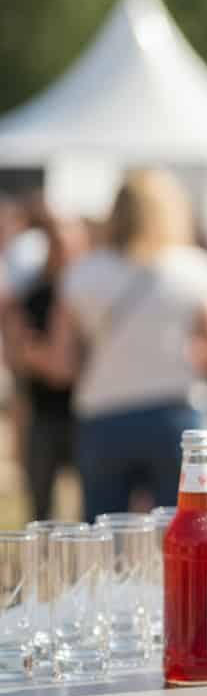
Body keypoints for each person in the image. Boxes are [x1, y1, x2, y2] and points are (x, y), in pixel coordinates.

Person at [35, 169, 207, 520]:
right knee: (181, 529)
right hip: (176, 415)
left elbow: (61, 366)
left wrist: (27, 351)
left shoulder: (83, 274)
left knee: (105, 535)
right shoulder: (197, 270)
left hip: (104, 416)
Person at [5, 209, 87, 520]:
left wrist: (44, 357)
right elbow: (19, 354)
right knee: (40, 509)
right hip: (43, 413)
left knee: (92, 509)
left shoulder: (90, 293)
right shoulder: (32, 296)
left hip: (86, 414)